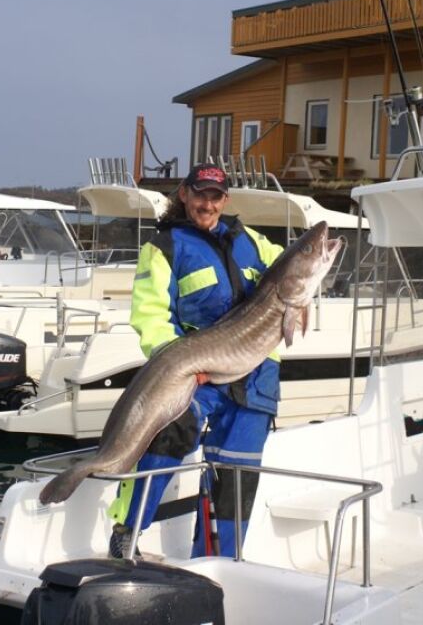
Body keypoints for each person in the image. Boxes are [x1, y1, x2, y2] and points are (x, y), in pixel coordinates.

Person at [106, 164, 284, 559]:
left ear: (226, 200)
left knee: (236, 477)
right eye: (200, 194)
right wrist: (181, 363)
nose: (207, 203)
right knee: (166, 433)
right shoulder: (165, 246)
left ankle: (219, 560)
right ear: (184, 194)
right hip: (196, 372)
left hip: (256, 378)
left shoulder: (251, 241)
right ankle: (126, 533)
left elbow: (290, 271)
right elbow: (151, 315)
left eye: (215, 196)